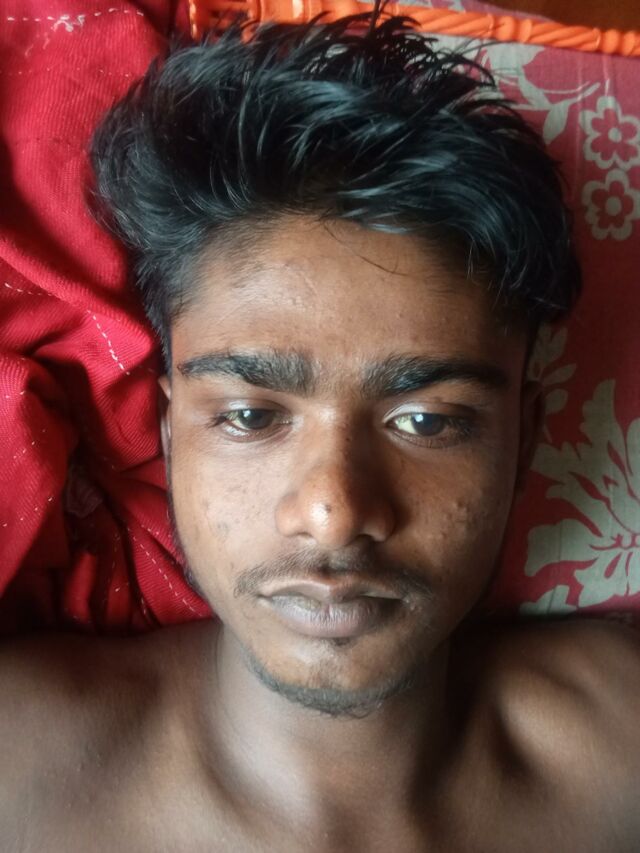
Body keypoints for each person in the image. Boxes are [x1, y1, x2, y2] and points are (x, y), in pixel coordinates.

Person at [1, 8, 639, 851]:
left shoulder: (622, 749)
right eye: (250, 415)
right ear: (170, 430)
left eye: (426, 419)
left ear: (522, 442)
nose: (334, 512)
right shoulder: (18, 768)